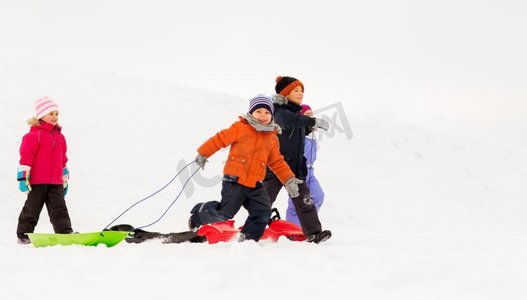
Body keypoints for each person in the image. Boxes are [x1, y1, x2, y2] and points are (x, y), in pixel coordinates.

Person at [188, 94, 303, 242]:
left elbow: (276, 161)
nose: (263, 116)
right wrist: (203, 153)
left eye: (267, 112)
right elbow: (220, 139)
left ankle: (247, 239)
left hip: (255, 183)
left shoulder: (272, 137)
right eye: (258, 112)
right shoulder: (241, 128)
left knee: (263, 212)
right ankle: (198, 216)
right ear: (251, 113)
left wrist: (289, 180)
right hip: (234, 180)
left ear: (272, 114)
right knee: (225, 213)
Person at [264, 76, 331, 243]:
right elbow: (288, 122)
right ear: (285, 93)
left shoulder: (295, 113)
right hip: (278, 166)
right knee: (264, 200)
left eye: (302, 90)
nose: (300, 93)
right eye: (296, 90)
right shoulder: (279, 111)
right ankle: (251, 228)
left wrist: (308, 128)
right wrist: (311, 121)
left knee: (304, 201)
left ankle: (314, 233)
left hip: (295, 167)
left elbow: (295, 134)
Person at [16, 97, 74, 244]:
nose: (55, 117)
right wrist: (23, 178)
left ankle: (65, 232)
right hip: (37, 181)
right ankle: (24, 234)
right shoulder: (33, 136)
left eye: (56, 114)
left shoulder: (60, 137)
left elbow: (63, 160)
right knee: (32, 208)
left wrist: (65, 180)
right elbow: (26, 158)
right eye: (51, 113)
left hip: (55, 181)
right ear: (41, 116)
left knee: (59, 208)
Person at [285, 104, 325, 226]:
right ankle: (293, 227)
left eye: (311, 115)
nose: (311, 118)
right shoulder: (296, 133)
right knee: (297, 201)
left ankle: (306, 224)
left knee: (318, 196)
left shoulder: (312, 135)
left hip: (310, 172)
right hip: (297, 171)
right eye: (307, 115)